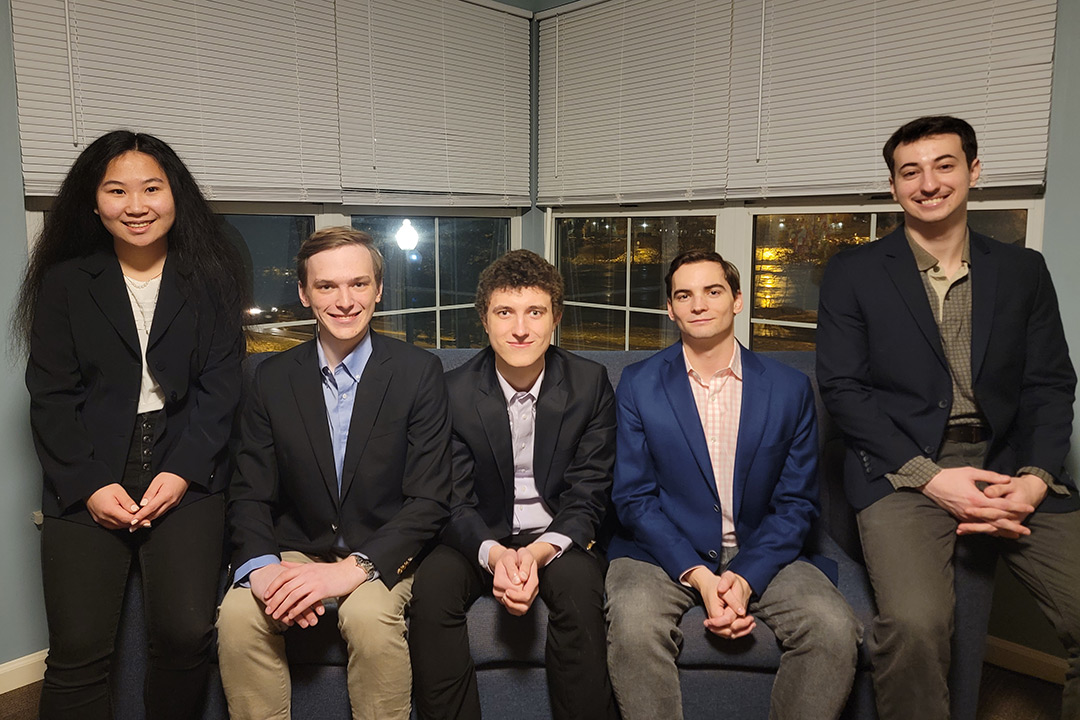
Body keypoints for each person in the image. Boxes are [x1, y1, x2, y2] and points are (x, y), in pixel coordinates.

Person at [817, 115, 1080, 719]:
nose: (928, 182)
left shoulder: (1023, 270)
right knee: (913, 626)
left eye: (945, 165)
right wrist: (931, 477)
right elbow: (843, 389)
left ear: (973, 171)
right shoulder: (853, 271)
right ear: (893, 186)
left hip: (1012, 464)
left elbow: (1049, 384)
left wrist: (1036, 478)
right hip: (900, 469)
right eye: (911, 171)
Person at [18, 130, 246, 720]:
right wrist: (89, 484)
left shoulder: (212, 276)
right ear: (94, 204)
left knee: (187, 634)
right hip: (86, 471)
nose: (137, 205)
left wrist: (184, 471)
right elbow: (50, 396)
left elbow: (220, 390)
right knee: (79, 650)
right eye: (117, 191)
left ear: (177, 196)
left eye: (152, 188)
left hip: (185, 468)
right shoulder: (66, 282)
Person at [605, 249, 859, 720]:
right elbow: (634, 499)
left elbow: (797, 504)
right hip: (661, 551)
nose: (699, 304)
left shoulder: (789, 388)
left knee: (833, 627)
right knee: (635, 625)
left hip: (765, 548)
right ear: (670, 309)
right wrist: (700, 577)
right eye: (684, 295)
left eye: (713, 291)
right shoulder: (638, 384)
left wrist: (744, 577)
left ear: (738, 300)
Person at [216, 226, 453, 720]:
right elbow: (249, 493)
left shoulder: (418, 372)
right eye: (326, 287)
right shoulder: (270, 379)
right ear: (304, 293)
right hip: (299, 542)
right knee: (239, 614)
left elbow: (430, 500)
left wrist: (350, 571)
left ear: (378, 289)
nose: (345, 301)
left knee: (367, 615)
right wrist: (261, 570)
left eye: (358, 284)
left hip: (383, 547)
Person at [409, 250, 619, 720]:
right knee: (433, 587)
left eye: (535, 312)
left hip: (557, 536)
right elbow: (453, 500)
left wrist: (539, 552)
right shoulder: (452, 391)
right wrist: (498, 554)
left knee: (582, 590)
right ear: (484, 320)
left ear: (556, 319)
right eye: (505, 312)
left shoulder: (589, 384)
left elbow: (589, 494)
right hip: (477, 534)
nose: (520, 328)